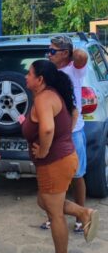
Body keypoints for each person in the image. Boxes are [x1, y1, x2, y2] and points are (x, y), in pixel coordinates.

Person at [22, 59, 99, 253]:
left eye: (29, 74)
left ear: (40, 79)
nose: (25, 77)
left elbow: (46, 130)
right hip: (64, 157)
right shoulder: (54, 94)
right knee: (43, 200)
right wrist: (63, 139)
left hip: (54, 162)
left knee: (54, 213)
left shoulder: (44, 98)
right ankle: (84, 213)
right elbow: (73, 113)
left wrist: (45, 151)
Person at [40, 34, 88, 232]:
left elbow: (82, 56)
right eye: (48, 50)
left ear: (65, 53)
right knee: (54, 177)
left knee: (77, 175)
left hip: (73, 132)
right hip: (54, 132)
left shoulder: (74, 71)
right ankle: (54, 215)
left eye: (53, 51)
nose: (48, 54)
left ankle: (80, 216)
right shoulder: (50, 72)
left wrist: (72, 50)